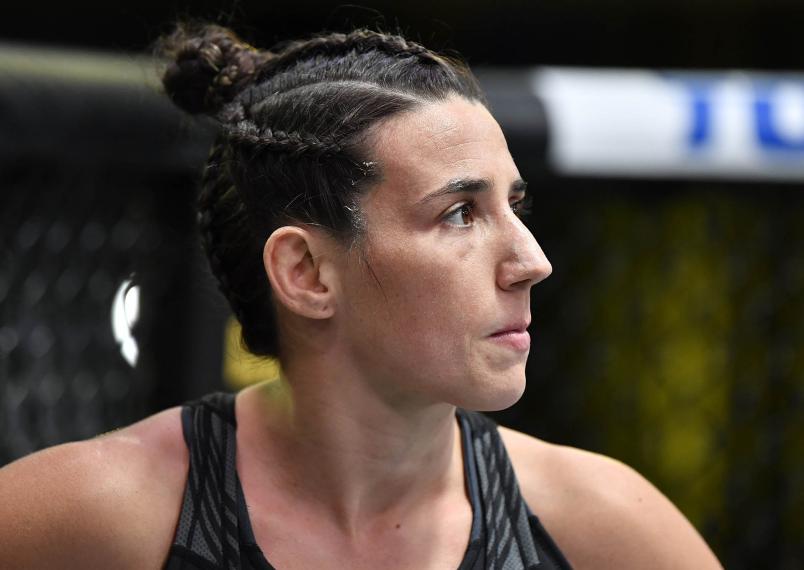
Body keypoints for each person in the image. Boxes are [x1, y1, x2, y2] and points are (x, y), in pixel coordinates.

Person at [0, 24, 722, 570]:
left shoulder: (599, 526)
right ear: (307, 273)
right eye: (460, 214)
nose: (532, 262)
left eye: (516, 207)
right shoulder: (103, 515)